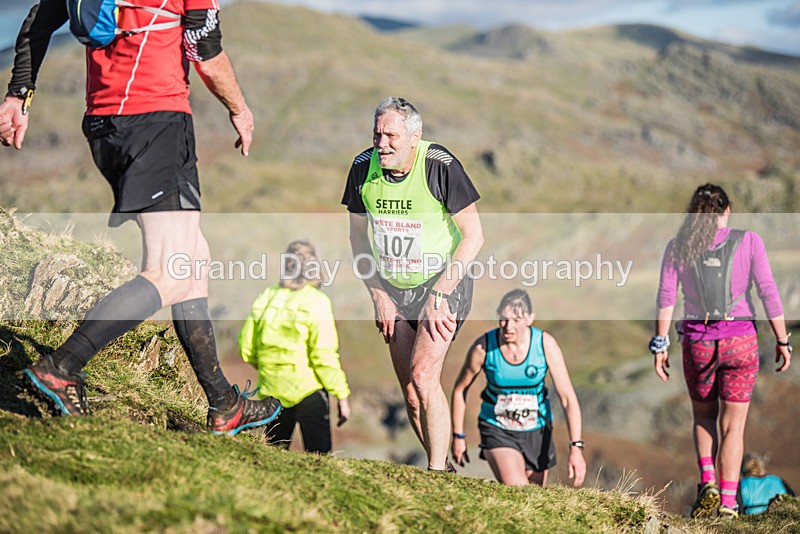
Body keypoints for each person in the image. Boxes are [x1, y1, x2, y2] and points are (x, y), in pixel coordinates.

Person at [2, 0, 282, 435]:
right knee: (170, 272)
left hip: (105, 122)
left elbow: (39, 20)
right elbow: (206, 54)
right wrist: (240, 110)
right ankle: (63, 366)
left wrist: (19, 93)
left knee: (194, 258)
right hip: (155, 121)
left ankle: (223, 404)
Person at [341, 97, 484, 471]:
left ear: (414, 137)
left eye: (391, 135)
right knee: (411, 391)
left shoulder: (439, 166)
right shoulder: (362, 169)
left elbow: (474, 236)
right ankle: (445, 469)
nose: (381, 143)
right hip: (393, 288)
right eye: (377, 134)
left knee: (423, 374)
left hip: (443, 283)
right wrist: (378, 296)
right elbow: (358, 239)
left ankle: (436, 473)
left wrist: (441, 294)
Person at [651, 183, 792, 519]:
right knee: (734, 427)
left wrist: (660, 346)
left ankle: (708, 481)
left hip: (698, 344)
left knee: (703, 416)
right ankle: (728, 504)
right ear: (726, 210)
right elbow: (768, 292)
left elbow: (666, 298)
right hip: (740, 342)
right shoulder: (749, 242)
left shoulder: (678, 248)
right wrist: (783, 340)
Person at [451, 289, 587, 487]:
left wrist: (576, 447)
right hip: (497, 428)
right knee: (518, 488)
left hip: (537, 431)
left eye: (517, 319)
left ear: (530, 319)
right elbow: (459, 390)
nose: (508, 326)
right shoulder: (483, 347)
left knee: (534, 496)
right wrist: (458, 436)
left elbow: (568, 399)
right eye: (503, 319)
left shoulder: (545, 345)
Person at [238, 240, 351, 453]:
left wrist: (270, 369)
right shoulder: (317, 301)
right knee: (319, 460)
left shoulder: (268, 296)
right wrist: (342, 395)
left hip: (272, 389)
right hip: (310, 390)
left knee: (273, 454)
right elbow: (323, 355)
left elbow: (246, 347)